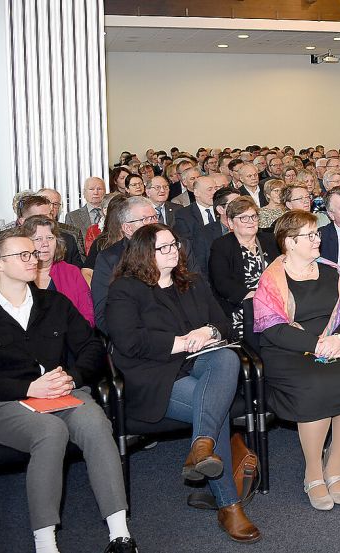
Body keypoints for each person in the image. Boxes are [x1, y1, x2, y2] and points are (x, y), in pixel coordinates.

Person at [0, 228, 137, 553]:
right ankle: (45, 544)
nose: (36, 258)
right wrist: (28, 387)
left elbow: (92, 347)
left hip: (61, 391)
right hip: (6, 402)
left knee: (97, 423)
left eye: (35, 252)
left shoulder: (53, 303)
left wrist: (72, 377)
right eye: (24, 254)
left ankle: (121, 535)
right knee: (50, 432)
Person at [105, 224, 260, 542]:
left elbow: (224, 325)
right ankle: (229, 505)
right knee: (215, 410)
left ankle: (200, 448)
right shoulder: (125, 289)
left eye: (174, 244)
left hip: (203, 365)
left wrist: (209, 333)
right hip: (155, 375)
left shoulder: (192, 282)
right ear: (144, 253)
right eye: (163, 247)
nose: (173, 250)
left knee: (227, 358)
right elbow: (128, 341)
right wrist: (181, 342)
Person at [252, 211, 340, 510]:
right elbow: (272, 327)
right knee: (315, 384)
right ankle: (313, 472)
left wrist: (338, 340)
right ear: (289, 243)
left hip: (331, 344)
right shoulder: (272, 279)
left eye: (316, 234)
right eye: (310, 235)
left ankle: (334, 466)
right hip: (288, 349)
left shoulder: (332, 271)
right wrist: (318, 344)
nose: (318, 239)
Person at [209, 197, 279, 340]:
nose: (251, 221)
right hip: (242, 307)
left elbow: (283, 270)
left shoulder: (270, 240)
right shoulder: (221, 245)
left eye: (253, 216)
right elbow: (222, 282)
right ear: (230, 223)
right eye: (244, 218)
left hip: (275, 302)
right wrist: (255, 297)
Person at [91, 196, 159, 335]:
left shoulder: (173, 249)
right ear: (127, 228)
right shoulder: (109, 259)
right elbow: (102, 315)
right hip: (134, 339)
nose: (153, 224)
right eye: (145, 219)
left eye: (154, 217)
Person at [21, 216, 94, 326]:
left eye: (50, 238)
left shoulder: (71, 272)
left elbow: (88, 316)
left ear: (57, 242)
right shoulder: (14, 272)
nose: (45, 244)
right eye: (38, 239)